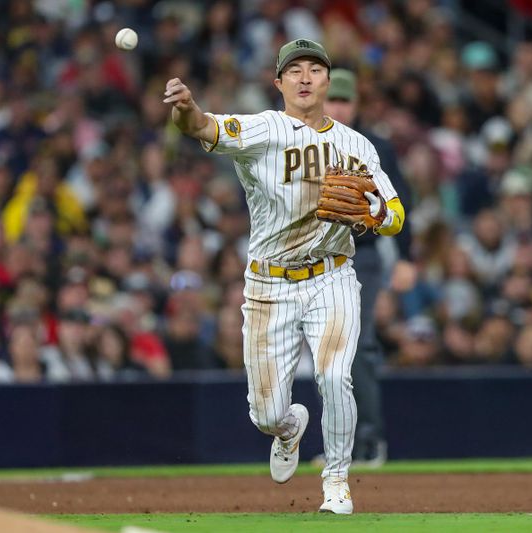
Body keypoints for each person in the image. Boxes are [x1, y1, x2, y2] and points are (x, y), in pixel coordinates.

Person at [164, 39, 405, 514]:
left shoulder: (356, 144)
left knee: (337, 376)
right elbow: (202, 127)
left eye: (315, 69)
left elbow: (396, 214)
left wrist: (375, 209)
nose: (305, 78)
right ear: (278, 83)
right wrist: (186, 109)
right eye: (294, 70)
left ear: (327, 81)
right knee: (266, 413)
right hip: (269, 283)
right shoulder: (263, 129)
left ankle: (337, 481)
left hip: (332, 275)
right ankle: (288, 427)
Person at [322, 68, 413, 466]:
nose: (338, 107)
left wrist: (407, 257)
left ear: (356, 104)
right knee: (327, 352)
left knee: (357, 345)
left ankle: (370, 441)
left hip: (364, 255)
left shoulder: (374, 146)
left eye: (344, 100)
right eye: (332, 99)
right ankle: (340, 446)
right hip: (318, 256)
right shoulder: (304, 143)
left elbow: (402, 200)